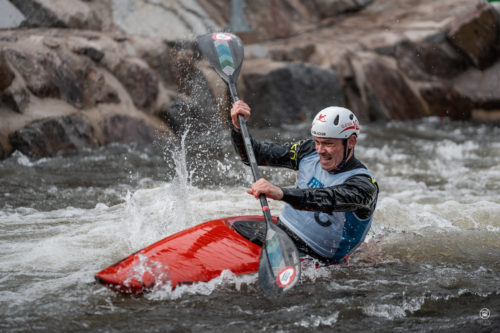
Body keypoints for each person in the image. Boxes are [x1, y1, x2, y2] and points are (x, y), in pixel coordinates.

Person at [230, 100, 379, 265]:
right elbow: (255, 154)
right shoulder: (307, 151)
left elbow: (327, 198)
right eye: (317, 141)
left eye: (328, 143)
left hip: (318, 257)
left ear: (351, 142)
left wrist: (282, 193)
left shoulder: (364, 185)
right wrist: (238, 127)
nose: (320, 150)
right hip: (282, 232)